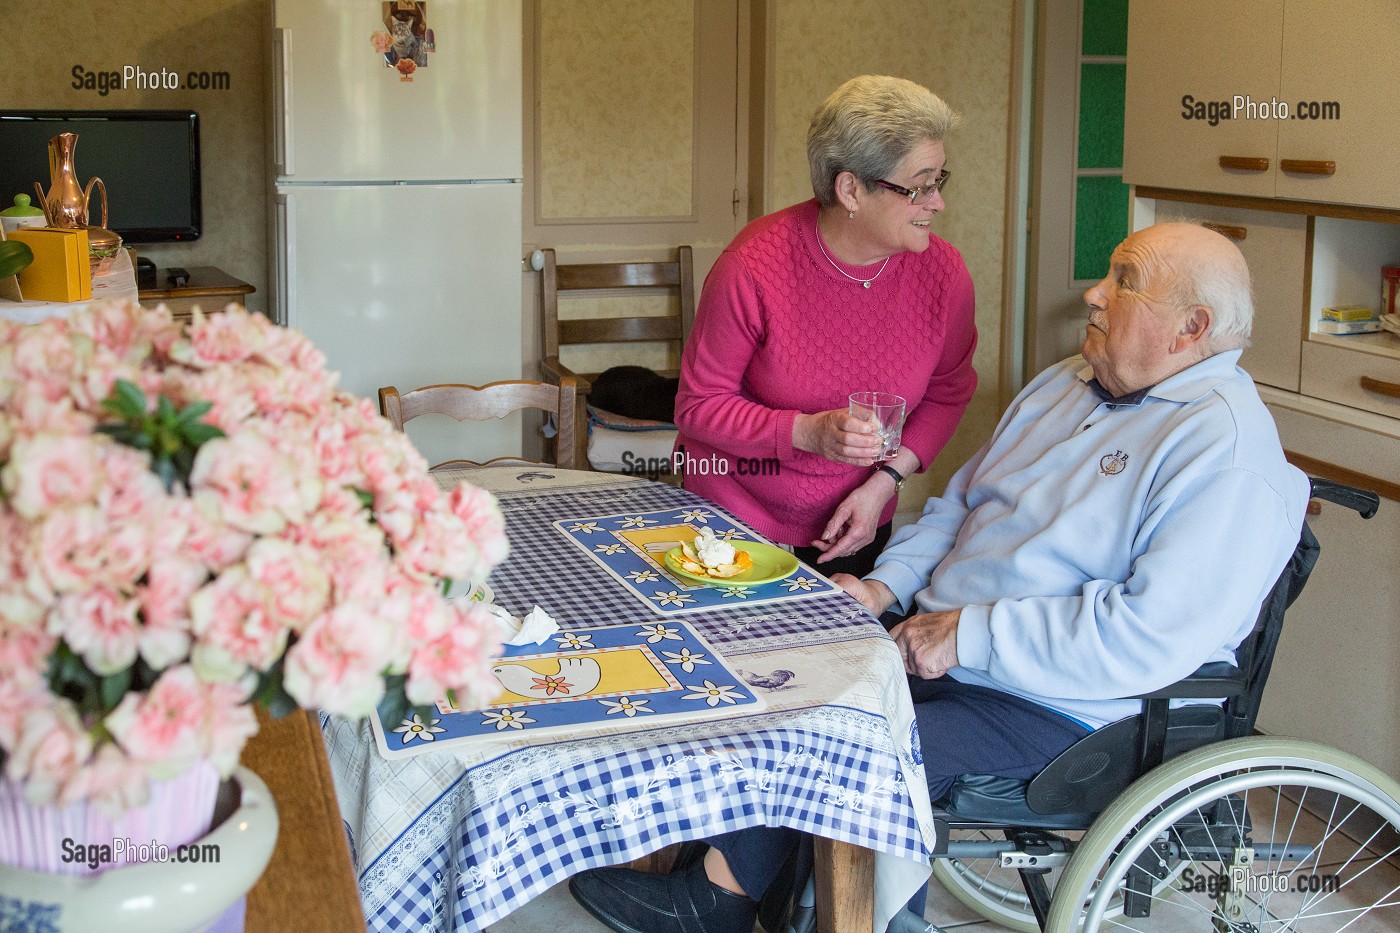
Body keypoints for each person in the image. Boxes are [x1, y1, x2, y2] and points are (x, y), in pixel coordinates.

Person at [568, 222, 1310, 933]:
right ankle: (719, 873)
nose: (1092, 294)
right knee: (786, 683)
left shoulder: (1224, 450)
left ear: (1190, 329)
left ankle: (721, 902)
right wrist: (884, 587)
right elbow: (960, 507)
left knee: (857, 742)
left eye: (1124, 282)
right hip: (954, 645)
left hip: (1067, 702)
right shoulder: (1065, 384)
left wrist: (969, 634)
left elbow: (1146, 634)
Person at [673, 75, 978, 577]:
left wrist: (884, 484)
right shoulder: (753, 267)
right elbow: (698, 406)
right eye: (919, 186)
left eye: (939, 181)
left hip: (856, 520)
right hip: (732, 517)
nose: (937, 202)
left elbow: (949, 392)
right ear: (851, 189)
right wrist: (805, 432)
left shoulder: (945, 275)